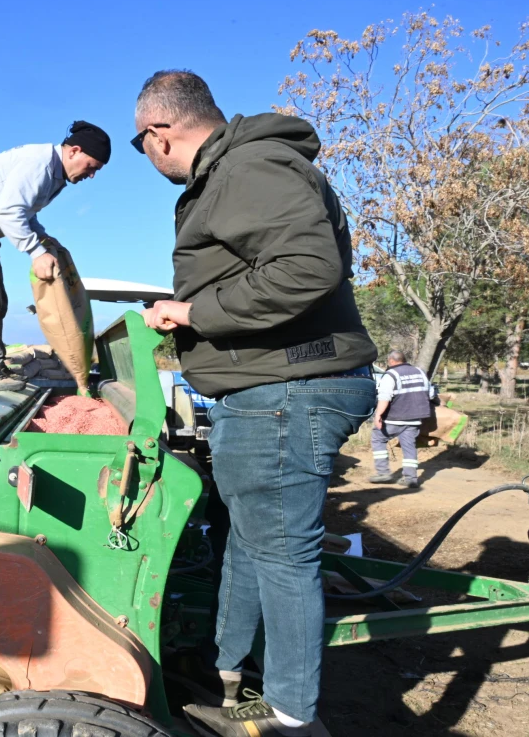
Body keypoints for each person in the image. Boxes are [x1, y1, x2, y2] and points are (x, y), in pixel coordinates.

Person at [134, 70, 377, 737]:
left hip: (288, 390)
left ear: (157, 133)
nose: (146, 156)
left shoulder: (249, 166)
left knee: (282, 558)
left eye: (139, 144)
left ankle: (292, 721)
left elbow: (305, 268)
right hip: (267, 389)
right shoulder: (240, 169)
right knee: (246, 543)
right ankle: (232, 681)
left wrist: (194, 309)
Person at [0, 121, 110, 391]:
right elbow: (8, 212)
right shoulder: (39, 164)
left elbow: (26, 213)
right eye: (92, 166)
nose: (92, 175)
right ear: (74, 151)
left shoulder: (55, 175)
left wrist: (44, 238)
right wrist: (35, 252)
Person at [368, 350, 434, 487]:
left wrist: (378, 415)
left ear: (391, 361)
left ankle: (383, 473)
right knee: (409, 446)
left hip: (395, 418)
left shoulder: (391, 375)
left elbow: (384, 397)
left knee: (378, 438)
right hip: (415, 418)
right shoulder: (420, 372)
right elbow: (431, 394)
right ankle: (410, 478)